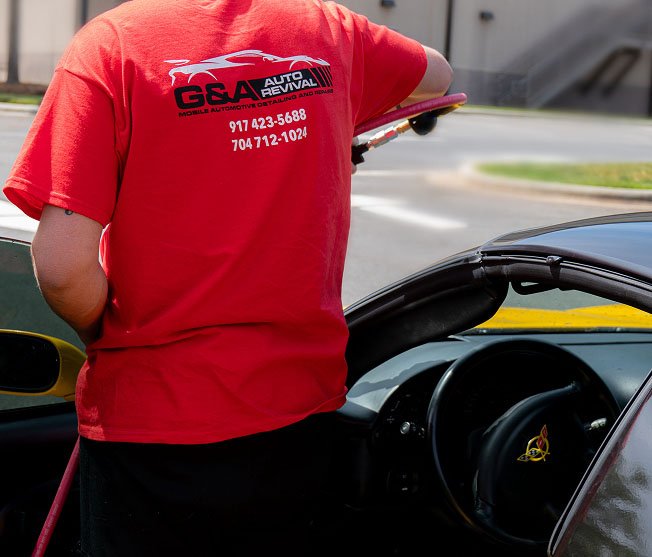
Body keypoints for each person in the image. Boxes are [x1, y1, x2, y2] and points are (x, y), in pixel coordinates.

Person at [4, 1, 452, 555]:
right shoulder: (327, 28)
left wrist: (104, 329)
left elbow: (62, 267)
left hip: (152, 422)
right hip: (298, 421)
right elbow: (437, 74)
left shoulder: (112, 45)